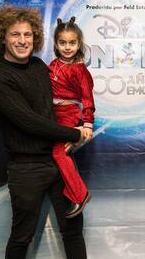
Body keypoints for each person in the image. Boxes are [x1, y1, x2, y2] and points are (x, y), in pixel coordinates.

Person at [0, 5, 88, 259]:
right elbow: (28, 121)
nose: (22, 41)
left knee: (73, 231)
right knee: (22, 236)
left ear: (35, 38)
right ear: (2, 38)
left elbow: (65, 102)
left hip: (59, 160)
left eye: (28, 35)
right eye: (15, 35)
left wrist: (83, 121)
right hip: (26, 168)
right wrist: (74, 134)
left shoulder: (40, 67)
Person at [49, 17, 95, 218]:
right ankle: (69, 192)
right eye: (63, 43)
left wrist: (87, 125)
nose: (67, 47)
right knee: (55, 152)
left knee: (59, 153)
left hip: (70, 113)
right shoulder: (52, 64)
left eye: (72, 43)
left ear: (79, 44)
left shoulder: (80, 70)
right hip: (52, 114)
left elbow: (87, 99)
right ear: (56, 44)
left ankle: (79, 194)